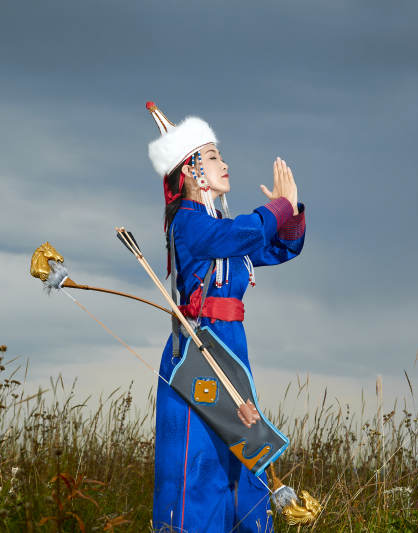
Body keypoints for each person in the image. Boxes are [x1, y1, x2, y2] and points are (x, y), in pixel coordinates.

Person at [145, 102, 307, 532]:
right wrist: (278, 210)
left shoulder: (225, 228)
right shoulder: (188, 223)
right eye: (214, 156)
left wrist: (288, 215)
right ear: (190, 170)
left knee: (242, 455)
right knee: (196, 463)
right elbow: (241, 234)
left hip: (231, 348)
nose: (224, 163)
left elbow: (281, 247)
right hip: (198, 349)